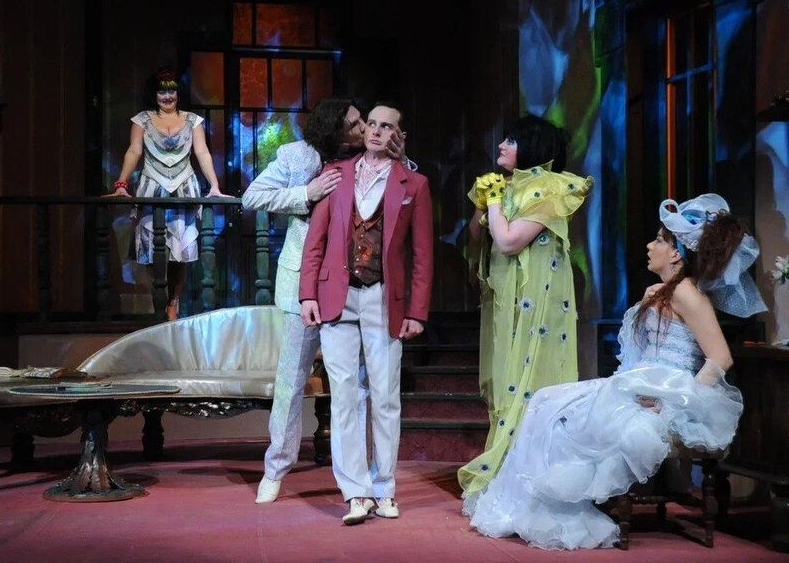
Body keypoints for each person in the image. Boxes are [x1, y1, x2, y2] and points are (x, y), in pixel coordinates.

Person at [465, 193, 766, 549]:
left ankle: (555, 511)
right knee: (545, 401)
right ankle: (527, 505)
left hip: (667, 389)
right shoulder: (659, 291)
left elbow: (720, 358)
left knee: (564, 410)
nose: (649, 246)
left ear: (676, 253)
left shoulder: (687, 294)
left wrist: (673, 403)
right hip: (638, 383)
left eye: (659, 240)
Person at [243, 97, 413, 504]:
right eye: (355, 124)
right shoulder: (296, 156)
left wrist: (402, 157)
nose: (364, 129)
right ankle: (275, 468)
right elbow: (252, 196)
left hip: (353, 285)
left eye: (364, 122)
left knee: (357, 385)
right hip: (302, 281)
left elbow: (406, 187)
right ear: (334, 128)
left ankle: (360, 481)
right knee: (291, 380)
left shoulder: (368, 157)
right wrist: (306, 192)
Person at [299, 102, 433, 524]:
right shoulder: (336, 174)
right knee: (343, 396)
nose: (375, 131)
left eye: (385, 126)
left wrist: (417, 310)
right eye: (371, 124)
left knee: (385, 396)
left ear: (398, 135)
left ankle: (384, 486)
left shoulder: (413, 183)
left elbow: (423, 254)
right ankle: (356, 492)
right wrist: (307, 295)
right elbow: (315, 241)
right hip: (337, 297)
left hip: (382, 298)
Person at [457, 115, 593, 501]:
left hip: (536, 306)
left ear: (533, 149)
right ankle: (506, 475)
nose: (501, 146)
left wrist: (494, 201)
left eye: (511, 141)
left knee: (530, 382)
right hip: (506, 301)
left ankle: (529, 481)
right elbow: (477, 235)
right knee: (504, 379)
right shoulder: (509, 186)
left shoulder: (549, 188)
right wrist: (484, 202)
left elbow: (508, 242)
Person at [109, 67, 228, 320]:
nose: (167, 96)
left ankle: (173, 302)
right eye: (161, 91)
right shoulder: (142, 120)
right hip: (152, 187)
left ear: (178, 92)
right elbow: (134, 151)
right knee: (152, 249)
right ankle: (159, 299)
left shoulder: (192, 121)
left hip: (183, 188)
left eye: (171, 90)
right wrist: (121, 183)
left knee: (180, 251)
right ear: (154, 94)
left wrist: (214, 186)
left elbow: (202, 152)